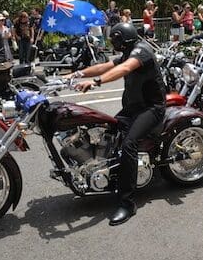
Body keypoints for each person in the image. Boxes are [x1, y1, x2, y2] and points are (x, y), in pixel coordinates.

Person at [68, 22, 166, 226]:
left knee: (128, 144)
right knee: (106, 132)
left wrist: (95, 83)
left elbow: (125, 68)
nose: (113, 42)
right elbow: (107, 66)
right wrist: (77, 74)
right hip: (133, 107)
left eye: (116, 39)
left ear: (125, 38)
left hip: (151, 108)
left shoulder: (142, 51)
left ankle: (127, 203)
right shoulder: (129, 51)